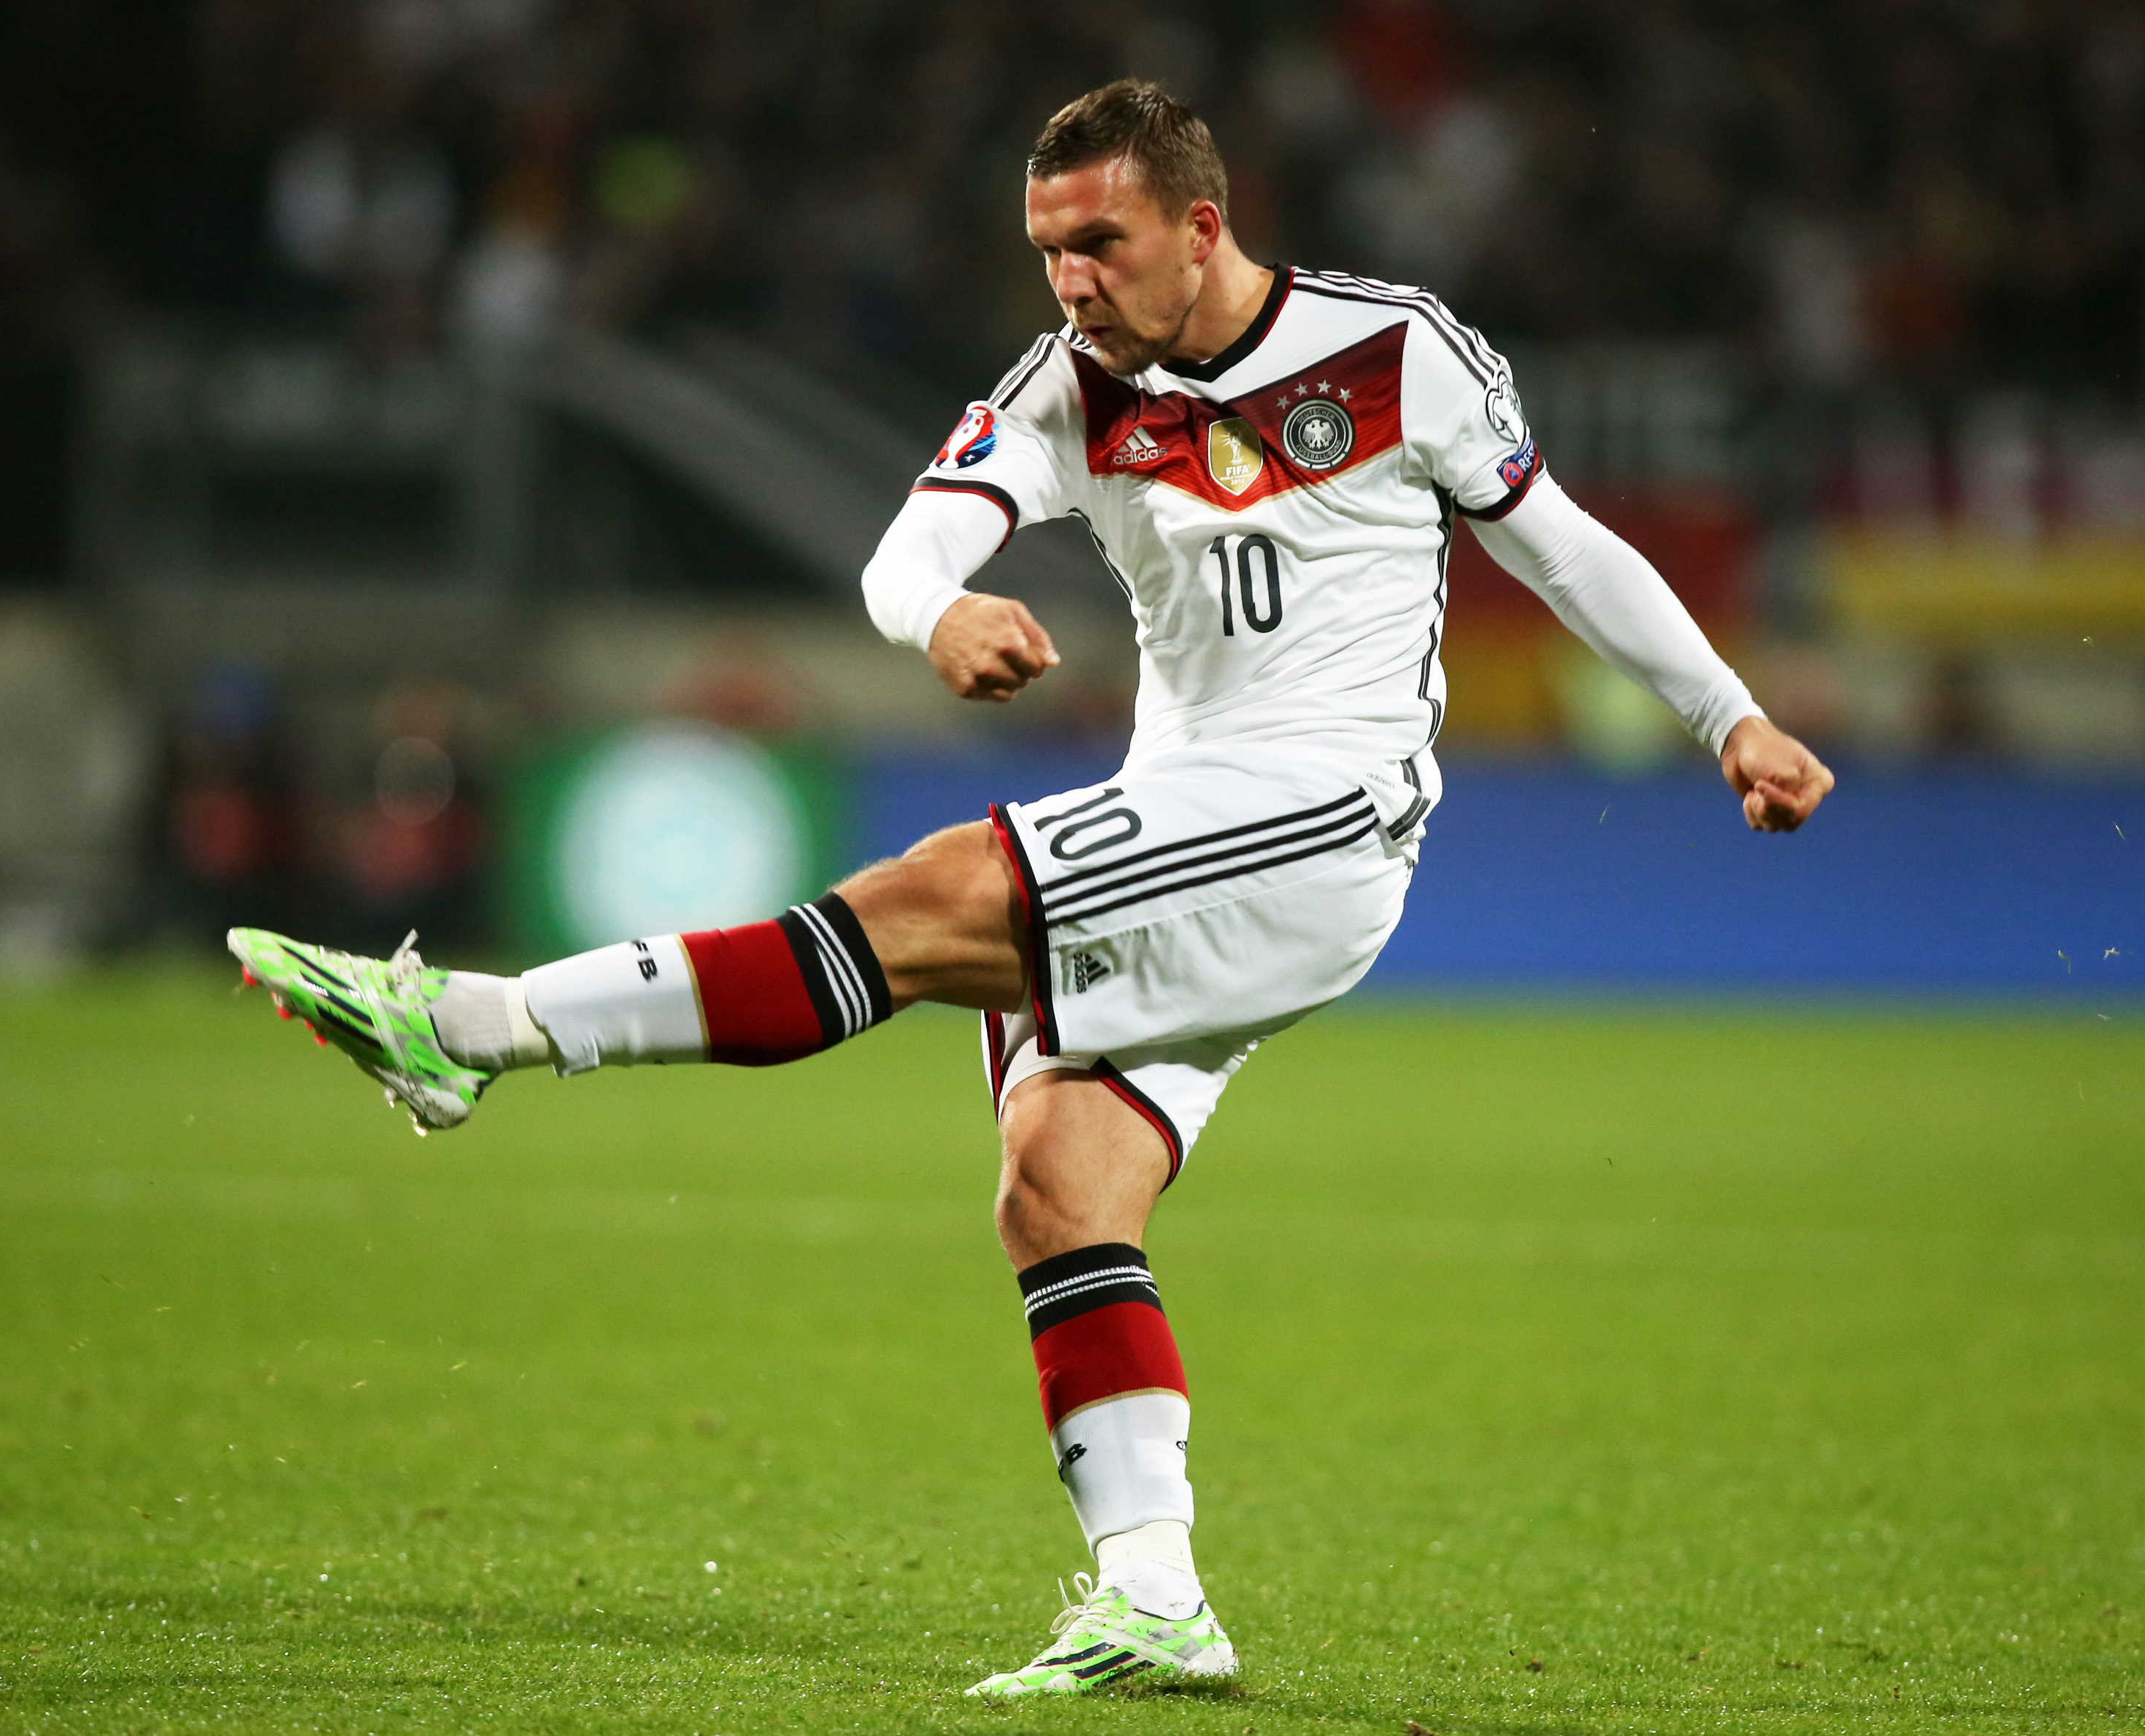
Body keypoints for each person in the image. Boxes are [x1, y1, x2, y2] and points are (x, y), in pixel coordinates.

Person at [227, 79, 1834, 1699]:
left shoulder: (1392, 349)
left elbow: (1562, 546)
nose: (1069, 279)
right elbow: (903, 552)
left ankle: (472, 1027)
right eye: (1045, 248)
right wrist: (937, 618)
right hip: (1189, 817)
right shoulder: (1072, 389)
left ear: (1201, 228)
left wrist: (1732, 713)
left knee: (927, 897)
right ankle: (1155, 1594)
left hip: (1330, 811)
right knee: (1057, 1180)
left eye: (1099, 243)